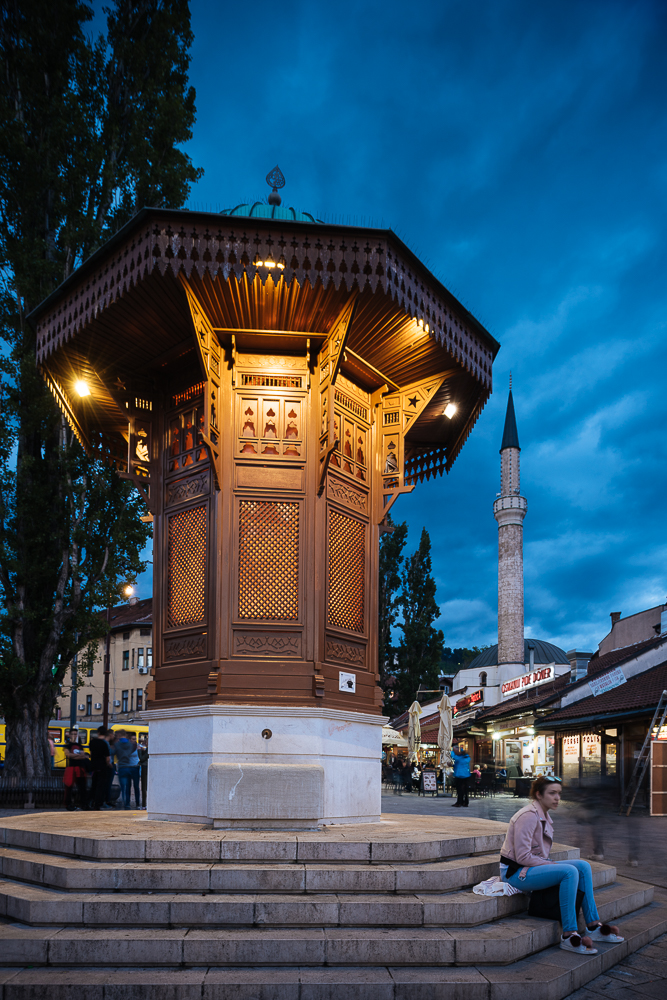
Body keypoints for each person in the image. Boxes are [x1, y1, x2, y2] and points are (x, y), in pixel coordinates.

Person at [499, 775, 625, 954]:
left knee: (583, 866)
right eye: (552, 793)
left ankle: (593, 926)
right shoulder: (528, 816)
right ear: (539, 795)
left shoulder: (543, 815)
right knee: (569, 872)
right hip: (515, 873)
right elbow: (522, 856)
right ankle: (568, 935)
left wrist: (548, 863)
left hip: (531, 868)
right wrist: (550, 863)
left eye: (559, 793)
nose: (557, 798)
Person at [113, 730, 140, 809]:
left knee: (133, 786)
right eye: (132, 739)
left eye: (134, 739)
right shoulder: (129, 745)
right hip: (129, 766)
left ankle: (132, 803)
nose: (133, 741)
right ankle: (127, 803)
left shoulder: (119, 744)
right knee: (128, 786)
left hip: (131, 767)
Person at [63, 731, 90, 810]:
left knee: (82, 787)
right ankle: (68, 804)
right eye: (73, 734)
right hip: (71, 768)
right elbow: (68, 755)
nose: (74, 735)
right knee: (69, 787)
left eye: (75, 734)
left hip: (80, 768)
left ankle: (84, 804)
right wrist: (79, 756)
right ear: (70, 735)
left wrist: (74, 756)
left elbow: (83, 756)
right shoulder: (67, 745)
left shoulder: (80, 745)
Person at [89, 727, 113, 810]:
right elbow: (108, 758)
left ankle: (90, 802)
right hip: (102, 767)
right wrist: (109, 764)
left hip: (94, 766)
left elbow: (91, 753)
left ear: (98, 732)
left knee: (94, 785)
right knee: (101, 786)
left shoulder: (92, 742)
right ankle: (97, 804)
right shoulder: (105, 743)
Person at [137, 737, 149, 810]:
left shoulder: (149, 749)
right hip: (147, 767)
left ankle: (144, 805)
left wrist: (139, 750)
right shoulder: (148, 749)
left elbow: (141, 758)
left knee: (144, 787)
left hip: (145, 768)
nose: (145, 742)